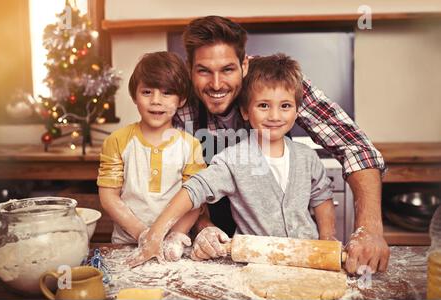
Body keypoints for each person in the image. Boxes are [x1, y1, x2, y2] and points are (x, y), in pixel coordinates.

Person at [175, 15, 389, 275]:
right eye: (204, 71)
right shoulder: (176, 97)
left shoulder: (276, 81)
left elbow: (356, 147)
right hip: (220, 250)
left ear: (244, 65)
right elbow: (179, 182)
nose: (217, 84)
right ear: (190, 69)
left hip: (291, 252)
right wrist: (203, 226)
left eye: (228, 70)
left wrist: (369, 229)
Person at [127, 53, 338, 267]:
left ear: (296, 112)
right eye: (263, 106)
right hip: (257, 263)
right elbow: (194, 190)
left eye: (285, 106)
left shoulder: (307, 157)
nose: (275, 116)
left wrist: (327, 239)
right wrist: (156, 233)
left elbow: (322, 198)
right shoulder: (232, 160)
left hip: (309, 260)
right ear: (245, 112)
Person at [97, 52, 206, 261]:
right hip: (126, 246)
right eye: (147, 92)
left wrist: (175, 236)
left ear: (181, 99)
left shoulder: (190, 146)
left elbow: (195, 201)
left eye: (167, 93)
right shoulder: (117, 141)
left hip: (172, 249)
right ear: (134, 97)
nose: (156, 101)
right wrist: (144, 235)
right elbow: (109, 198)